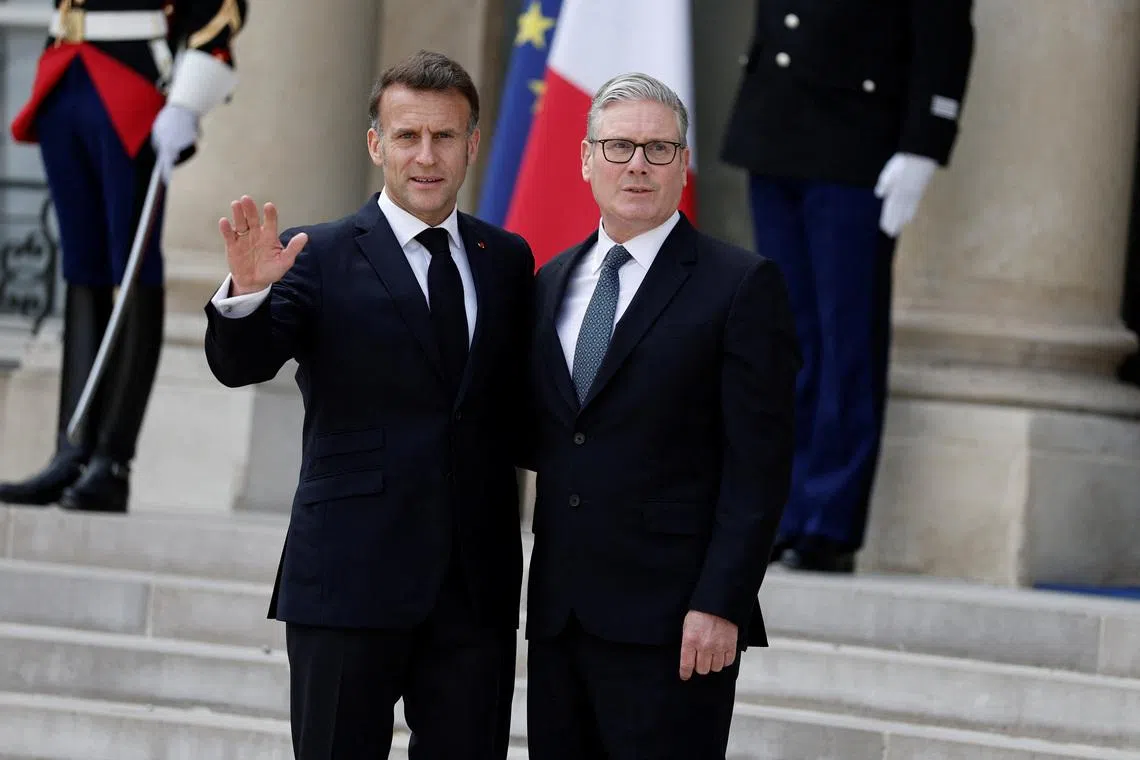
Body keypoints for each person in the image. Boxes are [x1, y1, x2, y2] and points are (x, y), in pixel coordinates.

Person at [203, 50, 533, 760]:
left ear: (473, 144)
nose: (427, 156)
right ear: (376, 144)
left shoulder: (506, 259)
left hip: (474, 593)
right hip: (347, 580)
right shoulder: (315, 254)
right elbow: (241, 364)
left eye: (445, 136)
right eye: (408, 136)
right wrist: (248, 296)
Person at [524, 72, 800, 759]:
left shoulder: (740, 285)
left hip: (676, 624)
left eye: (658, 149)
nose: (637, 165)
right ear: (586, 159)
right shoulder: (551, 281)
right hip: (560, 621)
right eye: (618, 147)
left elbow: (759, 469)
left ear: (683, 163)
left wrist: (721, 603)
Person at [721, 0, 975, 572]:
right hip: (777, 131)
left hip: (858, 146)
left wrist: (924, 142)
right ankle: (781, 511)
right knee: (786, 338)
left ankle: (828, 521)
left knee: (846, 341)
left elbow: (943, 36)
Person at [0, 0, 248, 513]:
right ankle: (72, 451)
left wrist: (187, 101)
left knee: (134, 267)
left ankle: (112, 461)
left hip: (131, 78)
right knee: (81, 268)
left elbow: (221, 10)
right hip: (65, 72)